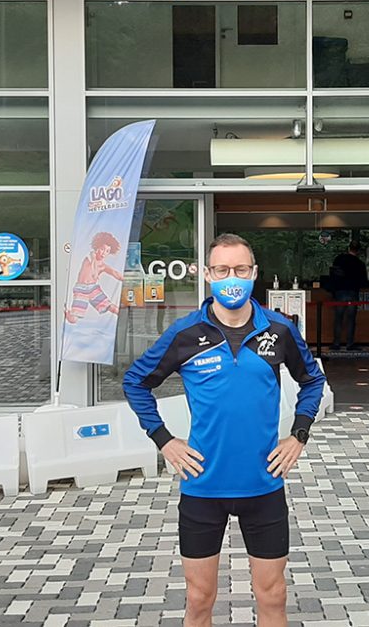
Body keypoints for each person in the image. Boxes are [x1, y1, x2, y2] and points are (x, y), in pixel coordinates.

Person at [124, 233, 325, 627]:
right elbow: (136, 382)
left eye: (240, 269)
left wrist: (299, 435)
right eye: (222, 270)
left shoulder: (279, 330)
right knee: (199, 600)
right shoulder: (185, 335)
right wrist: (164, 441)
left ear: (254, 273)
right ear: (206, 275)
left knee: (273, 597)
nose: (231, 277)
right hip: (203, 486)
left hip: (263, 485)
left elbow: (312, 381)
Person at [64, 230, 123, 323]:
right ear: (97, 247)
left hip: (93, 288)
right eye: (102, 249)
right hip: (81, 289)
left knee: (113, 308)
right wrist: (95, 271)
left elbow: (114, 273)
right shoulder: (91, 255)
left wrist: (125, 280)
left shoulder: (103, 265)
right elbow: (93, 262)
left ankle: (125, 322)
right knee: (73, 320)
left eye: (107, 251)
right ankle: (65, 311)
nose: (104, 253)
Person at [329, 239, 369, 350]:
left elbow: (333, 276)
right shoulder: (359, 264)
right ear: (358, 251)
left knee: (338, 318)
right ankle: (349, 343)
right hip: (353, 293)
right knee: (351, 319)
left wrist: (333, 291)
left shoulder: (339, 260)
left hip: (340, 292)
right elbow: (364, 281)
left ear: (348, 248)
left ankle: (336, 343)